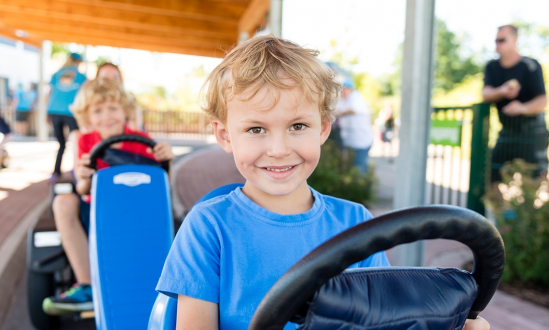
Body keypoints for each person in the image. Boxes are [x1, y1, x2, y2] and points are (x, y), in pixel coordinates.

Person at [155, 35, 490, 330]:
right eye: (256, 129)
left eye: (298, 126)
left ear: (323, 129)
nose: (279, 149)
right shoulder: (208, 227)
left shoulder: (355, 224)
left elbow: (382, 320)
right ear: (225, 135)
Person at [42, 78, 174, 314]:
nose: (107, 116)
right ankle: (88, 285)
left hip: (135, 210)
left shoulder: (143, 140)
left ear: (124, 110)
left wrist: (166, 159)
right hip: (98, 209)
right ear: (87, 116)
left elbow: (163, 186)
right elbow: (82, 189)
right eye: (98, 110)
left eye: (112, 108)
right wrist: (83, 176)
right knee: (63, 202)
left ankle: (163, 284)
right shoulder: (85, 141)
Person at [482, 25, 548, 183]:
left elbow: (542, 100)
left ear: (514, 40)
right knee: (491, 176)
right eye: (496, 40)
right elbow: (485, 93)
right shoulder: (492, 66)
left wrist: (522, 108)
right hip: (507, 131)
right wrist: (502, 91)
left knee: (534, 180)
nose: (497, 44)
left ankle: (527, 208)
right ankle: (500, 208)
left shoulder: (530, 65)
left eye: (502, 40)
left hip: (532, 131)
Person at [47, 53, 87, 181]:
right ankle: (76, 171)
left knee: (61, 144)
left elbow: (50, 93)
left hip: (54, 111)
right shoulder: (81, 77)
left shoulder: (57, 74)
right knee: (77, 142)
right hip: (71, 112)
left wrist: (47, 112)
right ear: (78, 62)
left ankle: (56, 172)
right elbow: (84, 96)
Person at [335, 79, 374, 174]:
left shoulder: (356, 97)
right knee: (355, 166)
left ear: (350, 89)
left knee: (358, 168)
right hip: (350, 141)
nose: (342, 92)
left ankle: (363, 187)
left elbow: (352, 110)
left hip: (361, 141)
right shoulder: (344, 100)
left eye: (344, 90)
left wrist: (339, 113)